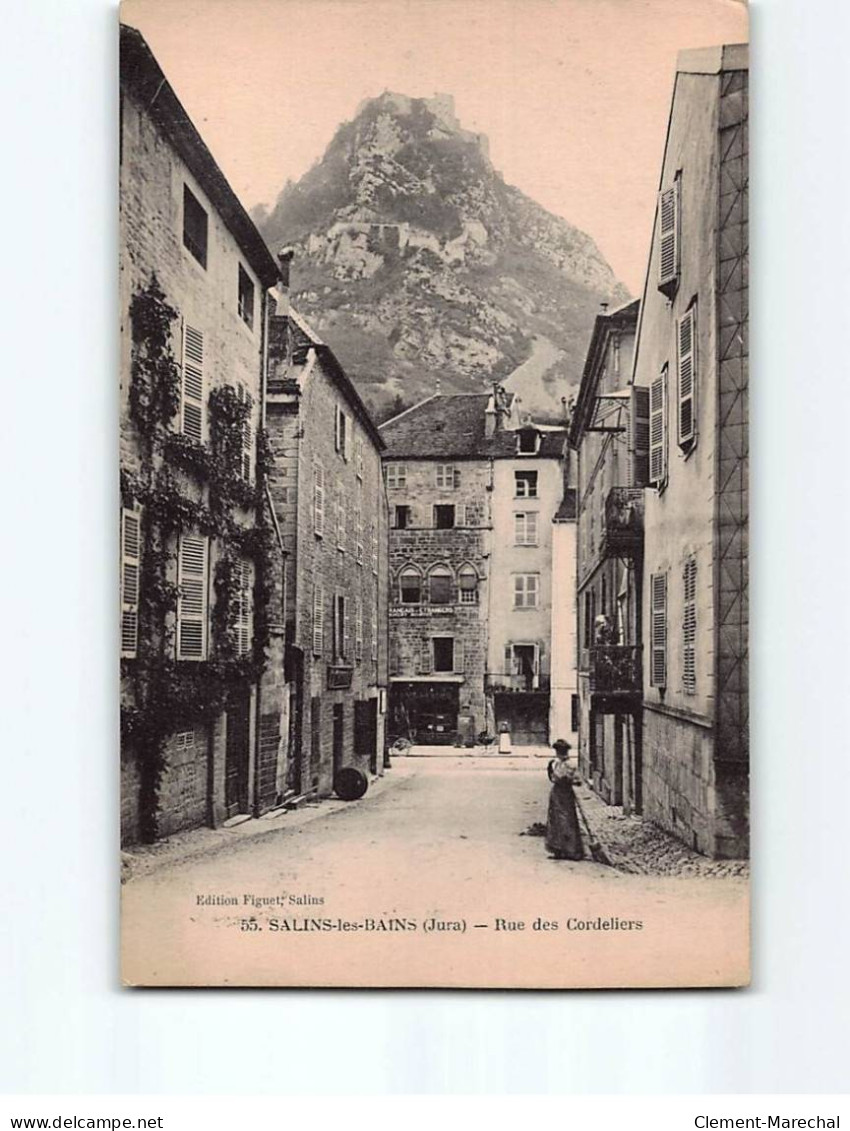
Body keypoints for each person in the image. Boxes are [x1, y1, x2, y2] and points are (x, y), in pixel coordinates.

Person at [545, 739, 584, 861]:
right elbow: (553, 778)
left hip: (565, 794)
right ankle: (558, 849)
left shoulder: (570, 764)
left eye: (560, 751)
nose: (559, 754)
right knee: (555, 819)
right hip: (556, 794)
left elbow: (578, 781)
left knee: (567, 820)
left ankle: (571, 850)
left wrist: (568, 779)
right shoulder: (555, 763)